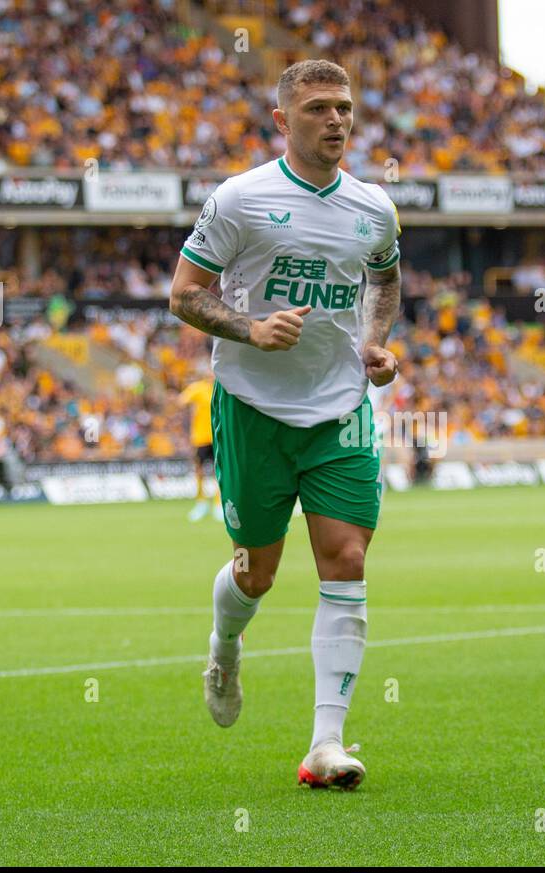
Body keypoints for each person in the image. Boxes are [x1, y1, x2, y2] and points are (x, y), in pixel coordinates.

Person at [169, 60, 402, 791]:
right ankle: (225, 647)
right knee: (256, 572)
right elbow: (184, 294)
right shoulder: (240, 199)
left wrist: (374, 342)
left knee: (347, 559)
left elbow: (386, 277)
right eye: (319, 109)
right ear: (283, 121)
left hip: (339, 411)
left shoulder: (374, 209)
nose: (337, 121)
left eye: (345, 107)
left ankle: (326, 746)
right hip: (252, 410)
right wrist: (249, 328)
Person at [178, 370, 219, 521]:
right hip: (200, 437)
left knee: (218, 472)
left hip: (217, 436)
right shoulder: (197, 388)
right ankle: (201, 503)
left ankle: (218, 503)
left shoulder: (221, 388)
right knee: (199, 470)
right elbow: (181, 401)